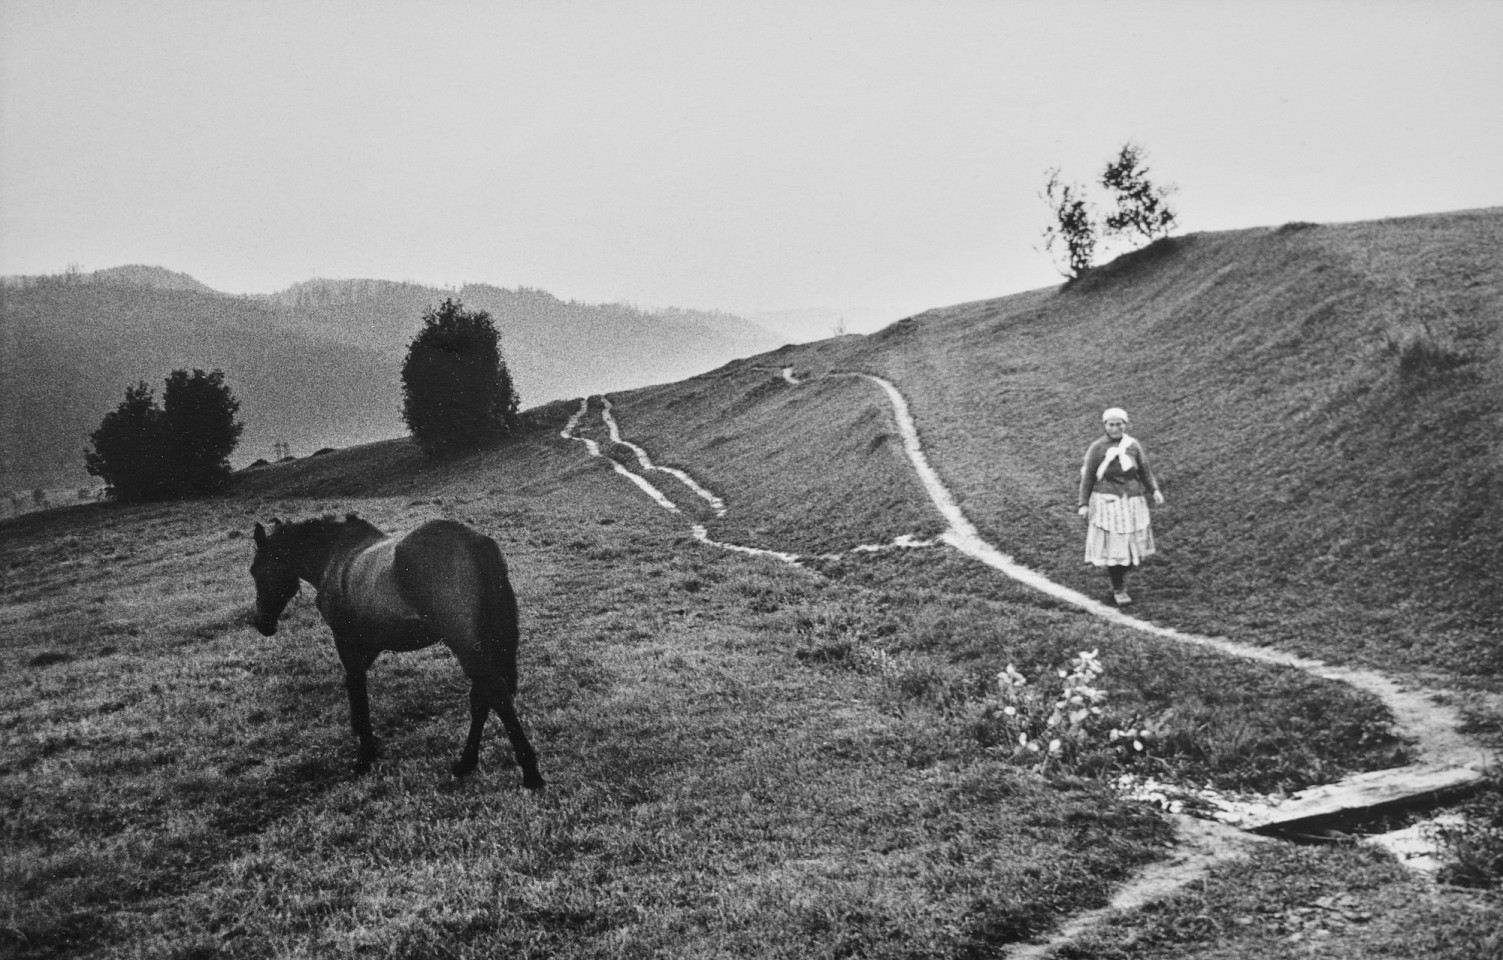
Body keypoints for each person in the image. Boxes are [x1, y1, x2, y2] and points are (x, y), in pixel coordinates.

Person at [1077, 407, 1164, 606]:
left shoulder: (1133, 445)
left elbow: (1144, 471)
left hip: (1132, 501)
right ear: (1105, 426)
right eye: (1111, 424)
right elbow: (1088, 477)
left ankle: (1121, 578)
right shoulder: (1097, 448)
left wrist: (1154, 490)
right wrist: (1083, 504)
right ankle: (1119, 587)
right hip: (1109, 503)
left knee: (1132, 547)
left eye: (1119, 424)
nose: (1115, 428)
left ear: (1126, 425)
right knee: (1115, 549)